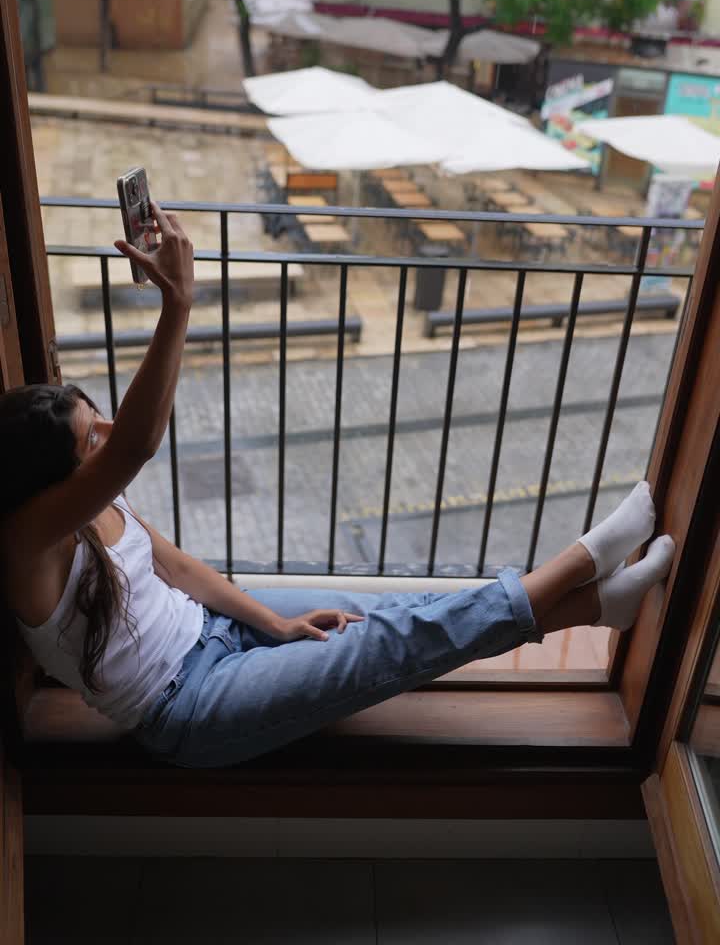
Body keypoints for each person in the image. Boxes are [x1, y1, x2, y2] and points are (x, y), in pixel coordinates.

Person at [0, 203, 675, 770]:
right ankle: (580, 560)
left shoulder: (92, 506)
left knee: (386, 614)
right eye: (91, 437)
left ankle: (594, 608)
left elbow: (174, 565)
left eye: (101, 419)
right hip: (191, 706)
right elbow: (140, 443)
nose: (110, 431)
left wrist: (271, 622)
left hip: (217, 632)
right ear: (43, 478)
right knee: (391, 642)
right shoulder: (26, 544)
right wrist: (178, 304)